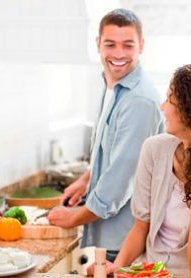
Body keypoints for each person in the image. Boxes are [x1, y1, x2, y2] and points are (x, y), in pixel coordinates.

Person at [87, 63, 191, 277]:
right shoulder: (154, 149)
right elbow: (141, 228)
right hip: (149, 272)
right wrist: (118, 267)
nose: (162, 106)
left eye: (170, 99)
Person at [47, 8, 164, 262]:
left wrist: (74, 217)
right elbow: (109, 151)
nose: (119, 54)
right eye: (110, 44)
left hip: (127, 241)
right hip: (113, 237)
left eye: (128, 45)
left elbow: (120, 180)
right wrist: (86, 180)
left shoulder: (139, 101)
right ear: (98, 44)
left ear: (141, 46)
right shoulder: (113, 86)